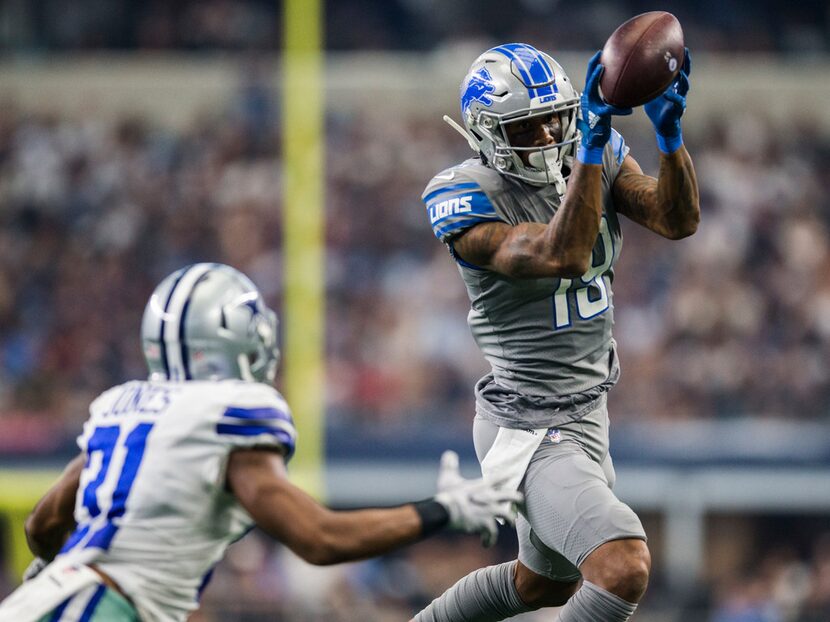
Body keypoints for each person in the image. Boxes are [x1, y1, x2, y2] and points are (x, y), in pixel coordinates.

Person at [0, 263, 522, 622]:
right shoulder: (232, 411)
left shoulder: (122, 406)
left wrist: (65, 569)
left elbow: (41, 525)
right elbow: (318, 538)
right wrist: (441, 510)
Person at [416, 43, 699, 622]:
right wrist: (591, 150)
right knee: (622, 565)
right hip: (527, 424)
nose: (549, 136)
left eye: (556, 118)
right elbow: (560, 254)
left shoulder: (589, 152)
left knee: (541, 587)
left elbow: (676, 219)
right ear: (488, 134)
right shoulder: (464, 195)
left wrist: (670, 140)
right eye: (527, 127)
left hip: (588, 413)